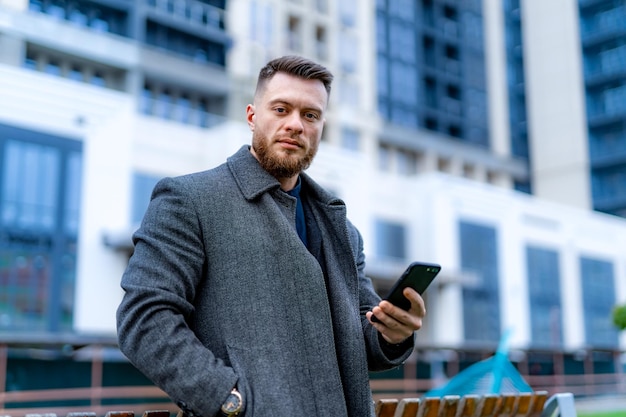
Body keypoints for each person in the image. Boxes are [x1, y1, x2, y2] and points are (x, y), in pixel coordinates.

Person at [116, 55, 426, 417]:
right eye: (281, 109)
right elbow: (145, 319)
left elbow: (362, 337)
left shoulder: (340, 227)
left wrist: (393, 332)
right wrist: (229, 400)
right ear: (252, 116)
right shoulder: (189, 200)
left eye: (310, 115)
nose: (295, 124)